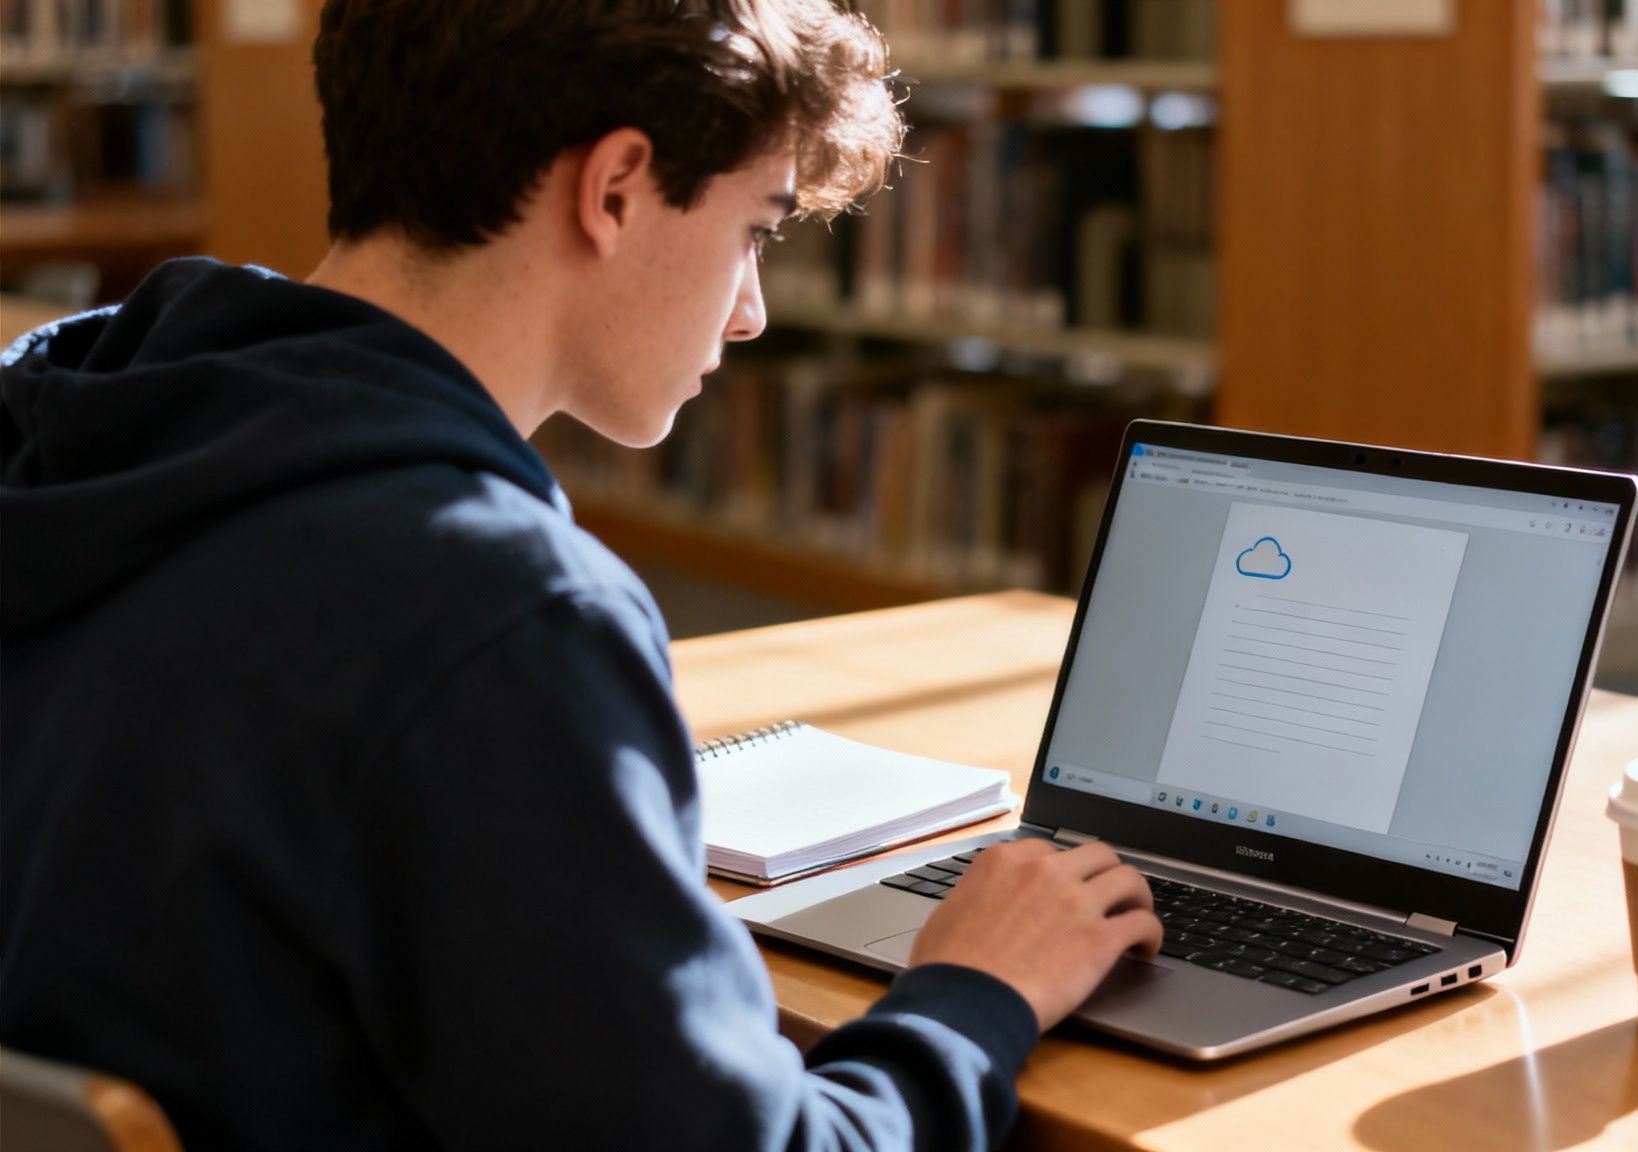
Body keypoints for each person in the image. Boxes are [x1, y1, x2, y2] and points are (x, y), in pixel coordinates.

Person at [0, 2, 1161, 1148]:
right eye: (754, 228)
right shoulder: (494, 608)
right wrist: (977, 988)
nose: (750, 312)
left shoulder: (68, 429)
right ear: (613, 189)